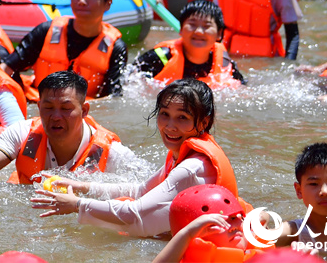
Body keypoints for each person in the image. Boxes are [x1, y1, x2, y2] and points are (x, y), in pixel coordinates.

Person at [31, 79, 243, 237]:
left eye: (182, 118)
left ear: (204, 123)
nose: (169, 126)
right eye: (164, 114)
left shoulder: (192, 168)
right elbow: (140, 190)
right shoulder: (180, 156)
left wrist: (77, 204)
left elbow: (135, 214)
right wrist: (80, 186)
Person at [0, 71, 128, 193]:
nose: (56, 116)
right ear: (38, 107)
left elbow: (139, 191)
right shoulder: (22, 133)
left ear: (84, 110)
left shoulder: (111, 152)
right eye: (48, 108)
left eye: (66, 108)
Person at [2, 0, 128, 101]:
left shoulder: (116, 48)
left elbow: (114, 100)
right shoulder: (46, 31)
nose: (82, 1)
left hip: (82, 112)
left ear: (108, 3)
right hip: (38, 104)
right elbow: (7, 68)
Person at [132, 1, 245, 88]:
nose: (199, 31)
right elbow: (128, 83)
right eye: (192, 24)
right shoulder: (161, 58)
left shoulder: (225, 64)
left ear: (219, 34)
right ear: (181, 29)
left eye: (207, 26)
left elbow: (243, 90)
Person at [152, 184, 253, 263]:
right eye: (220, 222)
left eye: (234, 218)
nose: (234, 227)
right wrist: (187, 234)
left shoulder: (260, 253)